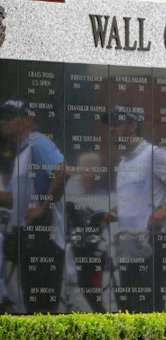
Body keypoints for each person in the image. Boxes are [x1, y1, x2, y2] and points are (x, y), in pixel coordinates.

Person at [103, 105, 166, 312]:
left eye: (116, 123)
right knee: (129, 312)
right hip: (129, 247)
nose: (111, 129)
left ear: (132, 126)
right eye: (110, 124)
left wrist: (163, 209)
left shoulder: (153, 154)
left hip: (153, 244)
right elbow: (133, 203)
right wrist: (108, 215)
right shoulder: (125, 162)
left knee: (149, 311)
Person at [0, 99, 69, 313]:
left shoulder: (37, 142)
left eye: (9, 116)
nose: (3, 121)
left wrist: (44, 207)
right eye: (2, 116)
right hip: (26, 237)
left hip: (44, 236)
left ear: (28, 119)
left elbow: (63, 172)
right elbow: (11, 199)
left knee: (43, 312)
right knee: (33, 310)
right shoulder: (21, 153)